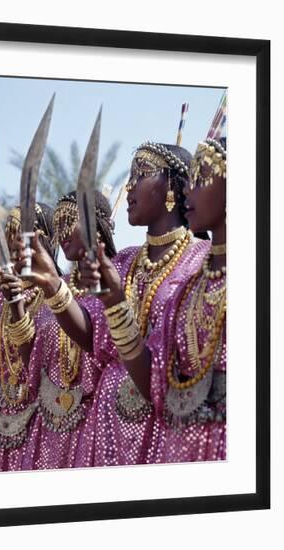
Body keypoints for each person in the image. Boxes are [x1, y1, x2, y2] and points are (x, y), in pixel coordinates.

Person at [78, 142, 211, 466]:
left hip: (163, 423)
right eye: (130, 175)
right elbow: (90, 336)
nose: (129, 185)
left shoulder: (201, 261)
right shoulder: (123, 261)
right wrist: (54, 287)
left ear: (172, 186)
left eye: (141, 174)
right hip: (106, 423)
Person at [12, 190, 118, 470]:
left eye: (69, 220)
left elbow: (103, 343)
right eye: (57, 224)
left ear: (97, 224)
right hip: (49, 426)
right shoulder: (57, 286)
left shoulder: (122, 272)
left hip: (96, 418)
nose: (62, 232)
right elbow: (34, 364)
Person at [0, 203, 58, 472]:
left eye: (20, 234)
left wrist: (17, 303)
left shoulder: (57, 295)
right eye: (9, 236)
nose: (13, 244)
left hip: (42, 421)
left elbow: (43, 366)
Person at [150, 137, 227, 462]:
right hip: (182, 446)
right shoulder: (185, 288)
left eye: (202, 178)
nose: (187, 191)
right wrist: (114, 303)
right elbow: (155, 379)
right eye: (188, 180)